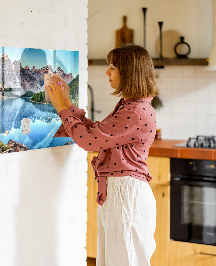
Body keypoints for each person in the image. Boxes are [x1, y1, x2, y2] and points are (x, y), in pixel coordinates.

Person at [46, 44, 158, 266]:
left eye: (113, 67)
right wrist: (67, 104)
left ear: (129, 72)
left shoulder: (135, 111)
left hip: (126, 196)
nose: (107, 72)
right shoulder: (131, 106)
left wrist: (61, 107)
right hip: (121, 193)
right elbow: (96, 133)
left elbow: (89, 141)